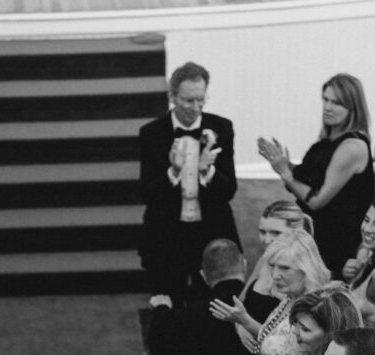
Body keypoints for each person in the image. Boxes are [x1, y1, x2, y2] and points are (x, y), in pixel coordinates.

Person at [138, 61, 240, 306]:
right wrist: (174, 171)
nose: (195, 108)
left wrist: (208, 171)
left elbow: (228, 191)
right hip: (167, 230)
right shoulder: (151, 133)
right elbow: (148, 194)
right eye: (187, 101)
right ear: (172, 96)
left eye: (200, 100)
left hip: (211, 228)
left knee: (214, 302)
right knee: (168, 297)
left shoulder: (222, 128)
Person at [258, 73, 373, 277]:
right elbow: (308, 180)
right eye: (326, 99)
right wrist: (285, 166)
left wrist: (286, 174)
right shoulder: (327, 142)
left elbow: (317, 199)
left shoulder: (352, 146)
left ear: (352, 108)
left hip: (336, 242)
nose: (328, 107)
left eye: (336, 102)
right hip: (314, 235)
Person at [240, 199, 314, 336]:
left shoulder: (304, 275)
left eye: (275, 233)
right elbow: (241, 300)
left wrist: (246, 323)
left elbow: (288, 339)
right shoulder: (264, 259)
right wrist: (239, 326)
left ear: (297, 233)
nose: (267, 240)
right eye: (262, 232)